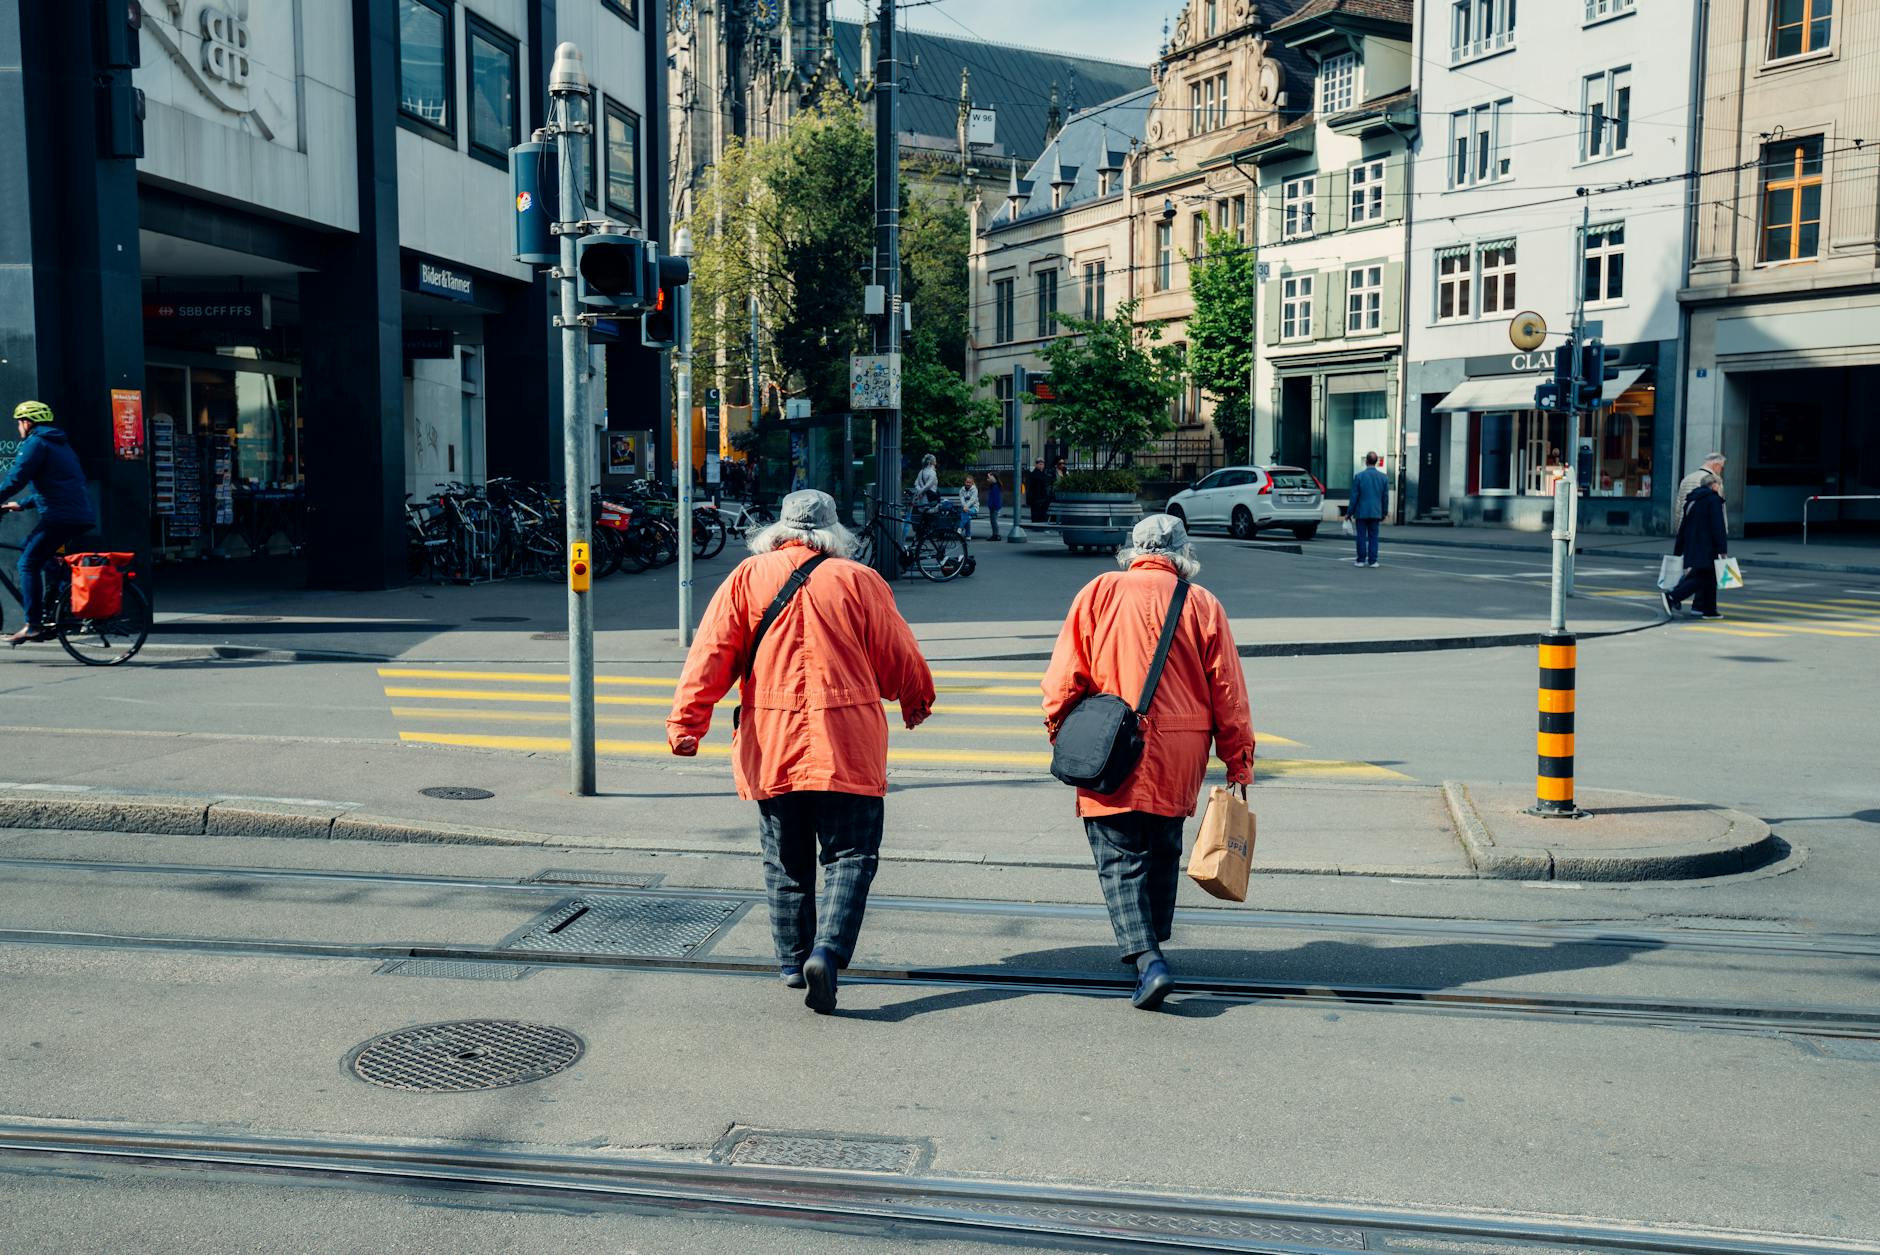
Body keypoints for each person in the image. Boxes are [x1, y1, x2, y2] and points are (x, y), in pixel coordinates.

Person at [668, 489, 935, 1014]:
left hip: (772, 742)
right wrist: (916, 700)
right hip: (848, 745)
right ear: (834, 532)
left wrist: (687, 724)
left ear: (780, 529)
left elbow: (711, 655)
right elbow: (897, 655)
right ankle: (827, 952)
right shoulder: (859, 580)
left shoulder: (747, 577)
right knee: (851, 855)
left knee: (785, 858)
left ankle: (793, 962)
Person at [1041, 514, 1255, 1011]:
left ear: (1133, 551)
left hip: (1111, 746)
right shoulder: (1202, 603)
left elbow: (1064, 678)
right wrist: (1238, 759)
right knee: (1162, 844)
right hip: (1181, 751)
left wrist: (1061, 731)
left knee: (1119, 855)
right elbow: (1228, 691)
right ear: (1183, 554)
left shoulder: (1099, 592)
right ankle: (1152, 936)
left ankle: (1147, 959)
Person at [1, 401, 97, 645]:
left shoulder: (36, 443)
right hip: (76, 514)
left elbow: (16, 479)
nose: (18, 428)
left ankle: (33, 625)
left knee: (27, 563)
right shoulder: (61, 445)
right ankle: (60, 598)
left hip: (60, 516)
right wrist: (21, 504)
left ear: (27, 422)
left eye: (19, 423)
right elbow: (60, 486)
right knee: (30, 547)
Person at [1664, 480, 1728, 620]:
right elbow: (1718, 526)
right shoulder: (1713, 499)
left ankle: (1708, 610)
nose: (1720, 488)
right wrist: (1722, 549)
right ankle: (1673, 596)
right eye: (1719, 485)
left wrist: (1678, 549)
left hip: (1692, 545)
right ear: (1714, 485)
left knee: (1709, 577)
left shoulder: (1692, 500)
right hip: (1707, 546)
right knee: (1704, 577)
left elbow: (1683, 526)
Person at [1350, 451, 1389, 568]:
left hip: (1361, 512)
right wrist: (1384, 512)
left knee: (1361, 536)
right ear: (1376, 462)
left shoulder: (1359, 476)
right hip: (1376, 512)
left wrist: (1349, 513)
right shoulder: (1383, 477)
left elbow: (1354, 497)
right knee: (1373, 537)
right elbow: (1385, 497)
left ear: (1366, 461)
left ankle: (1361, 560)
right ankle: (1373, 561)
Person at [1673, 452, 1727, 536]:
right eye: (1721, 467)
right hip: (1704, 531)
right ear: (1716, 465)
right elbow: (1719, 509)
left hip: (1684, 527)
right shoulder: (1715, 481)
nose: (1721, 470)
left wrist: (1678, 528)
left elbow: (1678, 505)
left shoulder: (1686, 479)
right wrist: (1723, 531)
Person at [1025, 458, 1052, 524]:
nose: (1041, 466)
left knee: (1042, 515)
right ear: (1036, 465)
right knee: (1036, 515)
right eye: (1040, 464)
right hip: (1036, 498)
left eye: (1042, 464)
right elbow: (1031, 487)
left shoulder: (1044, 473)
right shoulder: (1034, 474)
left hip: (1043, 498)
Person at [984, 471, 1003, 541]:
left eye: (989, 477)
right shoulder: (994, 486)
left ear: (993, 478)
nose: (987, 479)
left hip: (994, 507)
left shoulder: (995, 486)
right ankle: (995, 534)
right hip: (993, 507)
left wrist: (994, 506)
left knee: (994, 521)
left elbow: (996, 498)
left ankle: (996, 535)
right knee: (993, 521)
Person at [958, 474, 978, 538]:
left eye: (970, 482)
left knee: (965, 513)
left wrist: (966, 507)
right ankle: (968, 535)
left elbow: (972, 500)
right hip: (965, 508)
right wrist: (965, 506)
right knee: (967, 516)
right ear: (965, 482)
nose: (968, 484)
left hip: (974, 508)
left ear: (972, 483)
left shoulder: (974, 490)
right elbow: (962, 499)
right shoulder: (962, 490)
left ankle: (960, 528)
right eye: (967, 482)